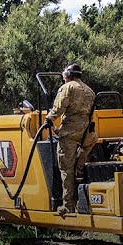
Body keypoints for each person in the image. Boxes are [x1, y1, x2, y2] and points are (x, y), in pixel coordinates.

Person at [45, 63, 96, 216]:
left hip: (70, 134)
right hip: (87, 134)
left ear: (68, 75)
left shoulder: (68, 88)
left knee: (66, 169)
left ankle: (68, 206)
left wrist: (49, 119)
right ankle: (82, 199)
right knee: (78, 166)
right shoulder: (90, 91)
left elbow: (59, 107)